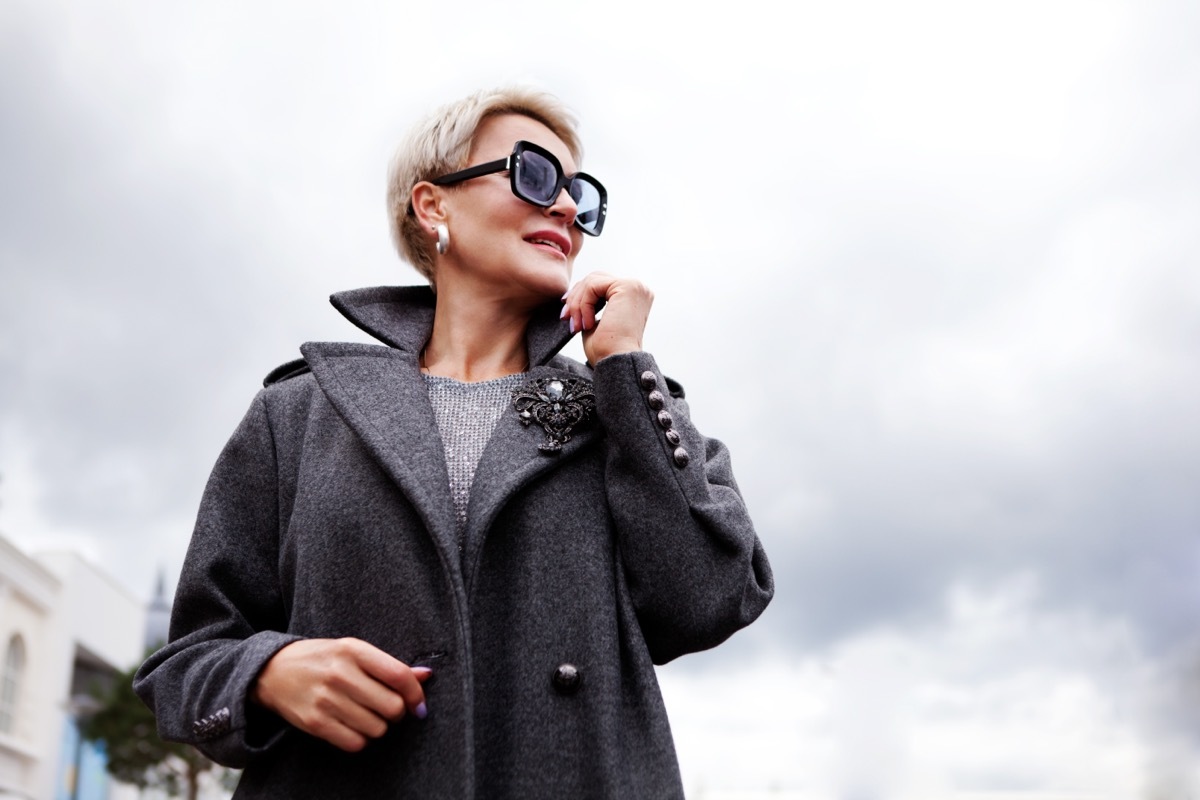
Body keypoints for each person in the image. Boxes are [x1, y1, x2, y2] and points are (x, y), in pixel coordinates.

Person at [134, 86, 774, 799]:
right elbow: (185, 663)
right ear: (434, 205)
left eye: (580, 195)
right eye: (533, 174)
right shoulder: (298, 414)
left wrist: (624, 369)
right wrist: (270, 674)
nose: (566, 208)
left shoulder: (626, 408)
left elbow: (712, 597)